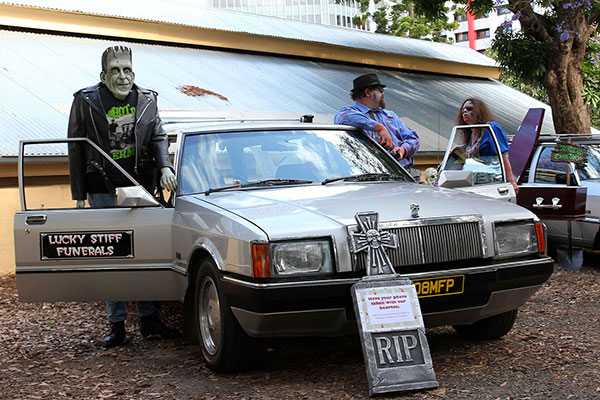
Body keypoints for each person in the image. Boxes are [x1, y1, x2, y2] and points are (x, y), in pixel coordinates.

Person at [68, 45, 179, 348]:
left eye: (127, 70)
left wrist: (164, 167)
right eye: (115, 71)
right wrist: (78, 193)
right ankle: (116, 324)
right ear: (103, 75)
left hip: (139, 185)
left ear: (134, 72)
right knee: (109, 256)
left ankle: (149, 319)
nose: (122, 76)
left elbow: (158, 136)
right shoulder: (85, 100)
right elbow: (75, 145)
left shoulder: (147, 99)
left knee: (143, 254)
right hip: (101, 187)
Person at [334, 73, 420, 175]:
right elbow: (343, 117)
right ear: (368, 93)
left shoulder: (390, 115)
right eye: (380, 90)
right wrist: (379, 128)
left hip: (404, 173)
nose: (382, 94)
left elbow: (413, 138)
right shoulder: (348, 113)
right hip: (372, 176)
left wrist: (403, 150)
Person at [456, 98, 519, 194]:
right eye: (463, 109)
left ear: (479, 111)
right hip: (473, 185)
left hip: (492, 183)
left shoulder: (490, 128)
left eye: (469, 108)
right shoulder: (470, 133)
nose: (464, 111)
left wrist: (511, 182)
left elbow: (504, 156)